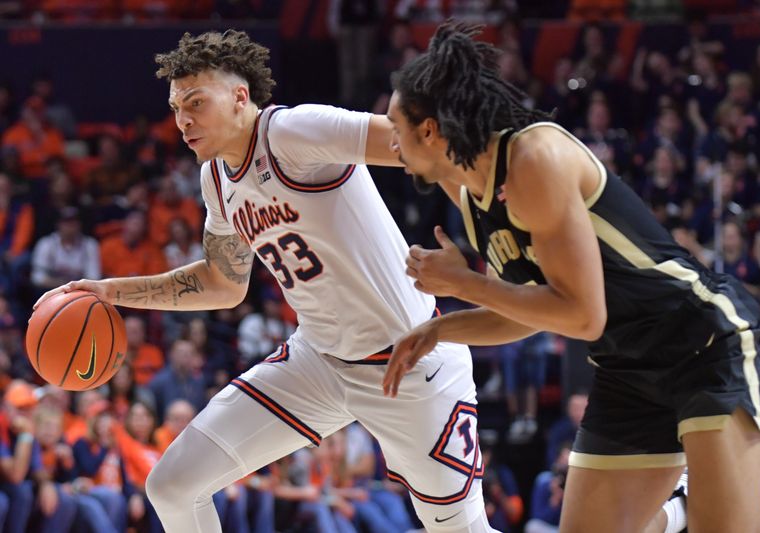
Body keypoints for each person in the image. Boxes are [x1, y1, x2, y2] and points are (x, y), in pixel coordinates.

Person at [35, 29, 495, 533]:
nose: (183, 119)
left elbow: (415, 144)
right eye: (174, 108)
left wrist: (492, 225)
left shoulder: (296, 131)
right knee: (172, 485)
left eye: (195, 102)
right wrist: (110, 292)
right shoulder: (215, 178)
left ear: (239, 97)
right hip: (317, 363)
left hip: (409, 363)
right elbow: (222, 282)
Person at [383, 21, 760, 533]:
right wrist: (440, 329)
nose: (390, 145)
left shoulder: (532, 159)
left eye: (395, 130)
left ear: (429, 131)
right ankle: (674, 511)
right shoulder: (471, 202)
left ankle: (680, 509)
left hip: (700, 342)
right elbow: (530, 311)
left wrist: (464, 284)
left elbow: (584, 316)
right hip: (626, 370)